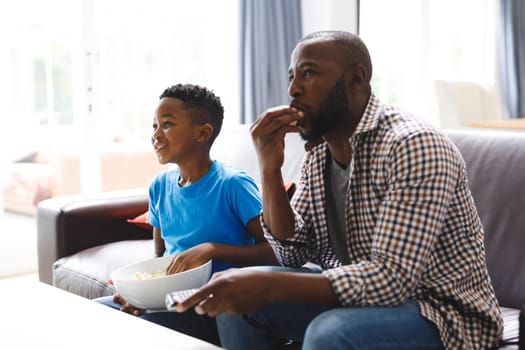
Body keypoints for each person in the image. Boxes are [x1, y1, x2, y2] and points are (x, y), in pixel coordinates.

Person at [174, 31, 503, 349]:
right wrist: (269, 169)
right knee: (239, 307)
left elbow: (391, 280)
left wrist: (270, 284)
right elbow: (292, 252)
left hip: (441, 313)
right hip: (363, 300)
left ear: (357, 79)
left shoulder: (412, 145)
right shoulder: (319, 153)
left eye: (309, 73)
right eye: (291, 77)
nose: (293, 90)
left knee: (329, 333)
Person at [96, 83, 277, 345]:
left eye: (167, 124)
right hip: (168, 298)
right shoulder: (159, 186)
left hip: (215, 306)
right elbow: (159, 257)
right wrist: (140, 296)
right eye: (154, 126)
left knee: (141, 333)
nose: (156, 135)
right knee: (96, 313)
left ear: (203, 132)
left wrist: (212, 249)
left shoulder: (232, 185)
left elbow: (274, 251)